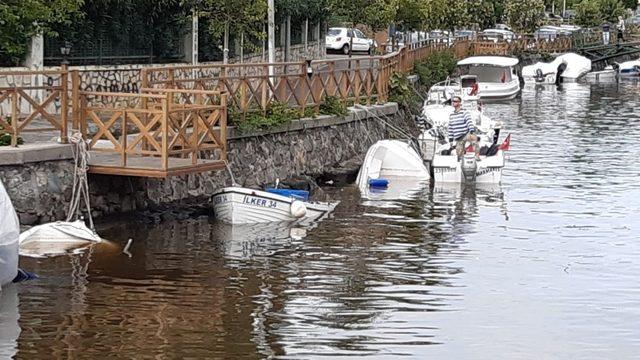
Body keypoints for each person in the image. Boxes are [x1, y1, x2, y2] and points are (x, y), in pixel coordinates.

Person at [448, 96, 480, 161]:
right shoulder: (451, 115)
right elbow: (450, 128)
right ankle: (462, 156)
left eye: (455, 101)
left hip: (466, 134)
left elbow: (469, 121)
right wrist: (450, 140)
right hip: (458, 137)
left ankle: (477, 156)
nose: (453, 102)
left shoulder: (464, 112)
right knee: (459, 154)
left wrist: (471, 130)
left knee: (473, 138)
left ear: (459, 103)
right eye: (452, 101)